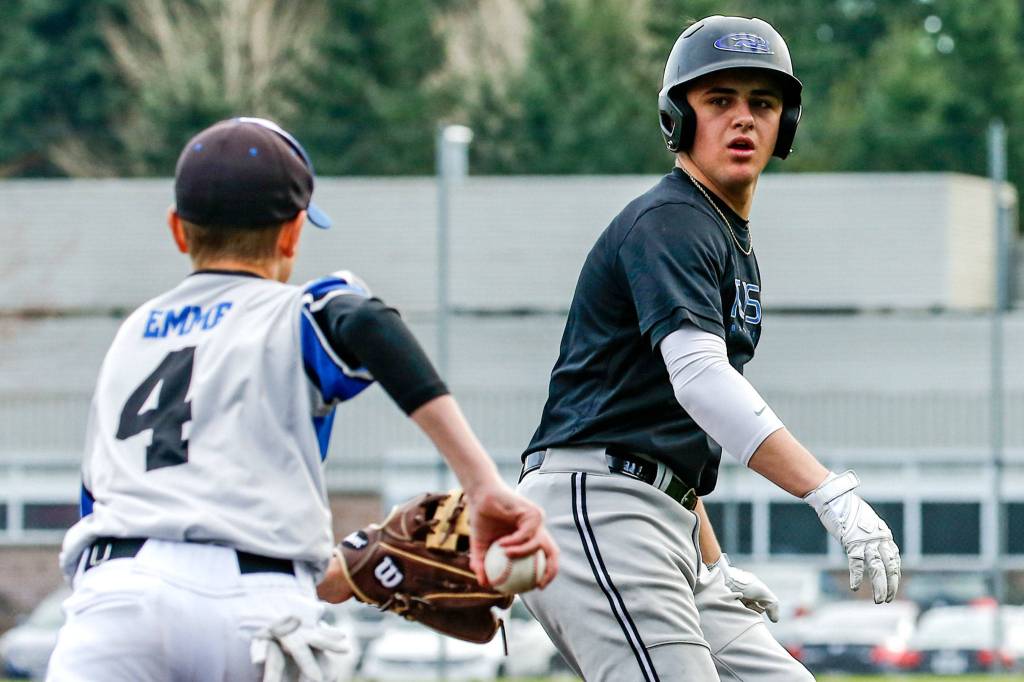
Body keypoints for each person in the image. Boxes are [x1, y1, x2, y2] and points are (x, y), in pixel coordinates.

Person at [47, 117, 557, 681]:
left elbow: (110, 508)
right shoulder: (292, 314)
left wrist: (347, 571)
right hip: (252, 610)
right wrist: (482, 484)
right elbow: (367, 324)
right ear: (292, 233)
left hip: (112, 601)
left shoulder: (132, 336)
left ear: (177, 229)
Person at [516, 15, 900, 681]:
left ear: (788, 125)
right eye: (719, 101)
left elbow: (675, 432)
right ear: (677, 119)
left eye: (763, 102)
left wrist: (713, 566)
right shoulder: (674, 221)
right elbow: (700, 382)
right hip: (600, 511)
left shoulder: (720, 233)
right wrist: (829, 493)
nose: (744, 119)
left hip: (655, 516)